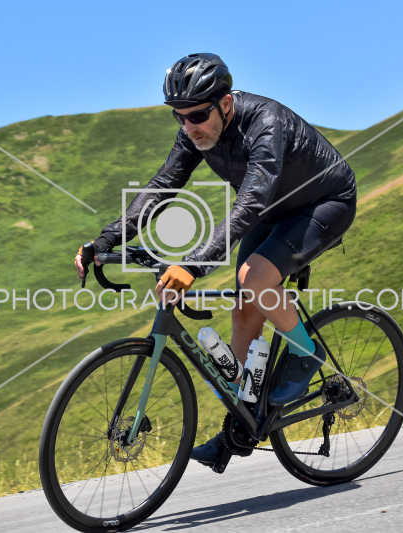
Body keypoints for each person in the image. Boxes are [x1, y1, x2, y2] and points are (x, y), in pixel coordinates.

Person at [75, 53, 357, 466]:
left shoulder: (266, 122)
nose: (189, 126)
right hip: (273, 210)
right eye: (179, 117)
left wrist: (193, 266)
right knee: (244, 312)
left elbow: (252, 199)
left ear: (225, 104)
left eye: (197, 116)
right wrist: (106, 239)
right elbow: (162, 186)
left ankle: (305, 352)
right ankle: (241, 424)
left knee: (253, 278)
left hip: (325, 203)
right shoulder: (193, 132)